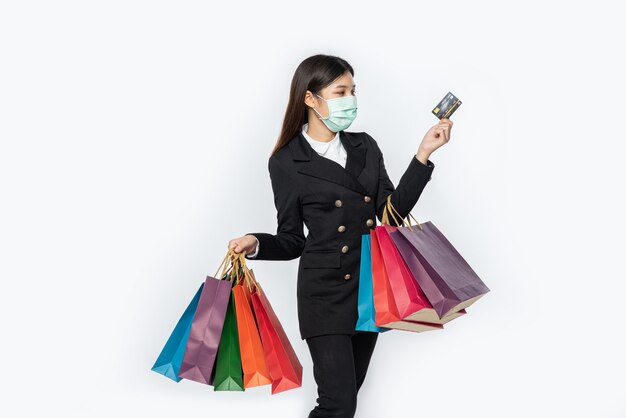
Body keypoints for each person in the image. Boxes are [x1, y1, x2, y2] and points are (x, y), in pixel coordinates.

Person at [228, 54, 452, 418]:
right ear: (310, 99)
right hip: (324, 296)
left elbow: (388, 216)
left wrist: (423, 155)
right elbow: (291, 240)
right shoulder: (286, 161)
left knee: (345, 401)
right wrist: (256, 242)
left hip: (368, 291)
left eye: (353, 90)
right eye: (340, 91)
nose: (350, 99)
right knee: (338, 404)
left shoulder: (365, 146)